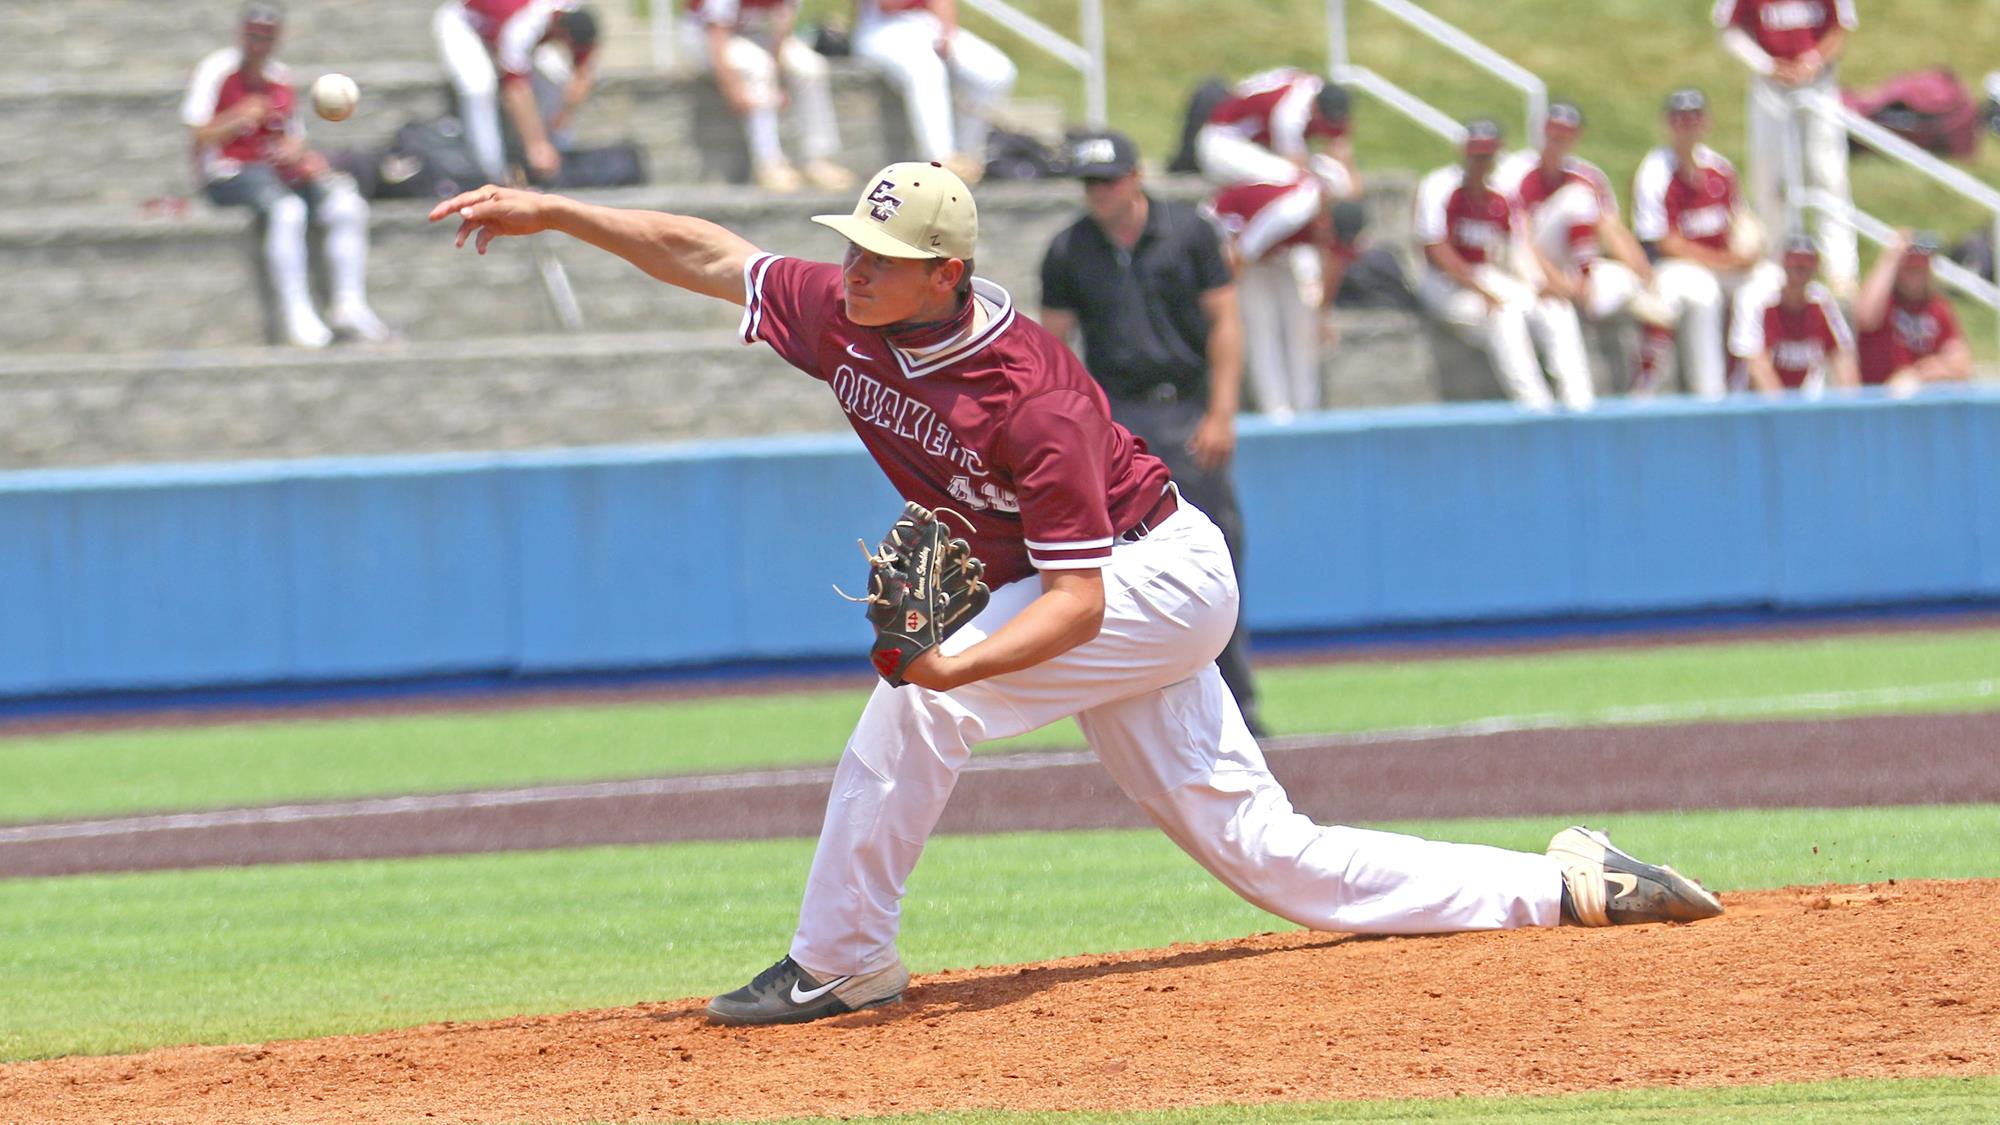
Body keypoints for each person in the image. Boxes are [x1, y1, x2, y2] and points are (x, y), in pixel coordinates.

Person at [432, 159, 1725, 1029]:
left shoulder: (1029, 393)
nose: (856, 269)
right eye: (856, 249)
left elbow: (1079, 612)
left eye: (883, 256)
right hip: (1099, 591)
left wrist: (950, 669)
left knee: (918, 710)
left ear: (945, 272)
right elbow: (712, 254)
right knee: (1269, 855)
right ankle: (1564, 884)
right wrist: (559, 212)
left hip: (1153, 576)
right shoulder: (848, 313)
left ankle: (841, 961)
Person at [1037, 131, 1266, 739]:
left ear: (1136, 177)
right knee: (1112, 564)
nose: (1098, 193)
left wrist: (1221, 412)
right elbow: (1052, 348)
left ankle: (1236, 703)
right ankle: (1137, 709)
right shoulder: (1068, 249)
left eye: (1108, 180)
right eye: (1090, 183)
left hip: (1184, 409)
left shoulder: (1188, 232)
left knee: (1219, 554)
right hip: (1116, 422)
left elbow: (1225, 321)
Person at [182, 2, 392, 348]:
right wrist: (236, 118)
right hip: (229, 172)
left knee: (347, 204)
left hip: (274, 171)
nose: (258, 43)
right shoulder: (218, 70)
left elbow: (293, 136)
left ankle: (349, 305)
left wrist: (299, 155)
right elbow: (197, 133)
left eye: (266, 36)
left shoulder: (279, 78)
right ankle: (298, 317)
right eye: (252, 34)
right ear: (241, 33)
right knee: (288, 211)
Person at [1415, 120, 1594, 411]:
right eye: (1476, 154)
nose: (1481, 162)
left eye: (1487, 155)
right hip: (1443, 283)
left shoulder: (1501, 192)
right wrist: (1482, 291)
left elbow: (1519, 248)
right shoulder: (1440, 186)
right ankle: (1535, 407)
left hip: (1486, 276)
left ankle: (1579, 403)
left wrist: (1540, 284)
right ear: (1464, 152)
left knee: (1554, 308)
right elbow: (1435, 250)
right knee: (1504, 316)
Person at [1493, 100, 1673, 375]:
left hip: (1575, 267)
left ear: (1576, 136)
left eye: (1565, 133)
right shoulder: (1515, 172)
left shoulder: (1587, 175)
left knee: (1635, 289)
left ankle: (1643, 387)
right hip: (1527, 269)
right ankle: (1582, 295)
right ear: (1542, 130)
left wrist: (1646, 278)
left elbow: (1613, 230)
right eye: (1553, 131)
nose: (1557, 139)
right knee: (1577, 200)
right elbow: (1520, 244)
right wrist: (1558, 283)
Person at [1630, 88, 1781, 398]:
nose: (1688, 124)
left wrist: (1750, 251)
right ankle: (1710, 393)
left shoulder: (1719, 168)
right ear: (1669, 124)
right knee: (1704, 295)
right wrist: (1725, 262)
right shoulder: (1656, 170)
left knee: (1770, 281)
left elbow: (1740, 220)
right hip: (1673, 267)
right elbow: (1665, 242)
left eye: (1694, 117)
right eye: (1680, 118)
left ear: (1706, 122)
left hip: (1721, 261)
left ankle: (1744, 380)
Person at [1714, 0, 1858, 295]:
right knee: (1771, 177)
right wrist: (1766, 64)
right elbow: (1728, 29)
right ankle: (1778, 266)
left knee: (1828, 175)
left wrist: (1814, 59)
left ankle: (1841, 271)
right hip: (1769, 86)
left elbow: (1840, 27)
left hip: (1818, 84)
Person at [1202, 166, 1350, 420]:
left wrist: (1322, 316)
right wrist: (1222, 309)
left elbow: (1333, 265)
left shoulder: (1338, 219)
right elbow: (1240, 255)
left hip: (1272, 252)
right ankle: (1275, 410)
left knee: (1303, 322)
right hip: (1225, 233)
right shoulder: (1292, 212)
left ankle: (1306, 408)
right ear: (1324, 214)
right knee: (1260, 322)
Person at [680, 0, 855, 193]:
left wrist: (779, 77)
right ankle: (769, 163)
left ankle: (818, 160)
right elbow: (716, 36)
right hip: (704, 38)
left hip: (753, 34)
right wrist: (734, 88)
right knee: (757, 66)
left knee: (810, 67)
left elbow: (781, 29)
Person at [849, 0, 1017, 183]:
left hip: (926, 23)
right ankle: (940, 160)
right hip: (880, 28)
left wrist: (946, 32)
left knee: (997, 72)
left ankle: (966, 156)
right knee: (926, 69)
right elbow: (889, 4)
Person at [433, 0, 599, 185]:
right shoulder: (521, 27)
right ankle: (492, 173)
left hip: (507, 34)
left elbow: (582, 73)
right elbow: (515, 91)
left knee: (557, 80)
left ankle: (561, 154)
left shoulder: (574, 15)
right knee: (479, 88)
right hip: (467, 26)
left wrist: (562, 116)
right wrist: (536, 145)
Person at [1194, 66, 1359, 197]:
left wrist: (1349, 182)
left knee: (1327, 177)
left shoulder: (1320, 91)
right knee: (1294, 180)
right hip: (1221, 144)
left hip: (1257, 145)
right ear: (1315, 108)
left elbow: (1342, 154)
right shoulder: (1290, 113)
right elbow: (1297, 164)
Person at [1729, 233, 1858, 396]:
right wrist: (1785, 414)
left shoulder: (1821, 301)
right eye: (1794, 264)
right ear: (1782, 264)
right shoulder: (1756, 299)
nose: (1800, 271)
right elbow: (1757, 365)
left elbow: (1842, 356)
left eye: (1806, 265)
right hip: (1752, 404)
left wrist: (1853, 408)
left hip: (1802, 403)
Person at [1854, 231, 1973, 391]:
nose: (1916, 276)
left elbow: (1962, 362)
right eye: (1910, 269)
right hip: (1880, 397)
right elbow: (1864, 318)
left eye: (1921, 269)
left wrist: (1937, 369)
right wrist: (1891, 256)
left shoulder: (1937, 307)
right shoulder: (1884, 303)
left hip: (1924, 399)